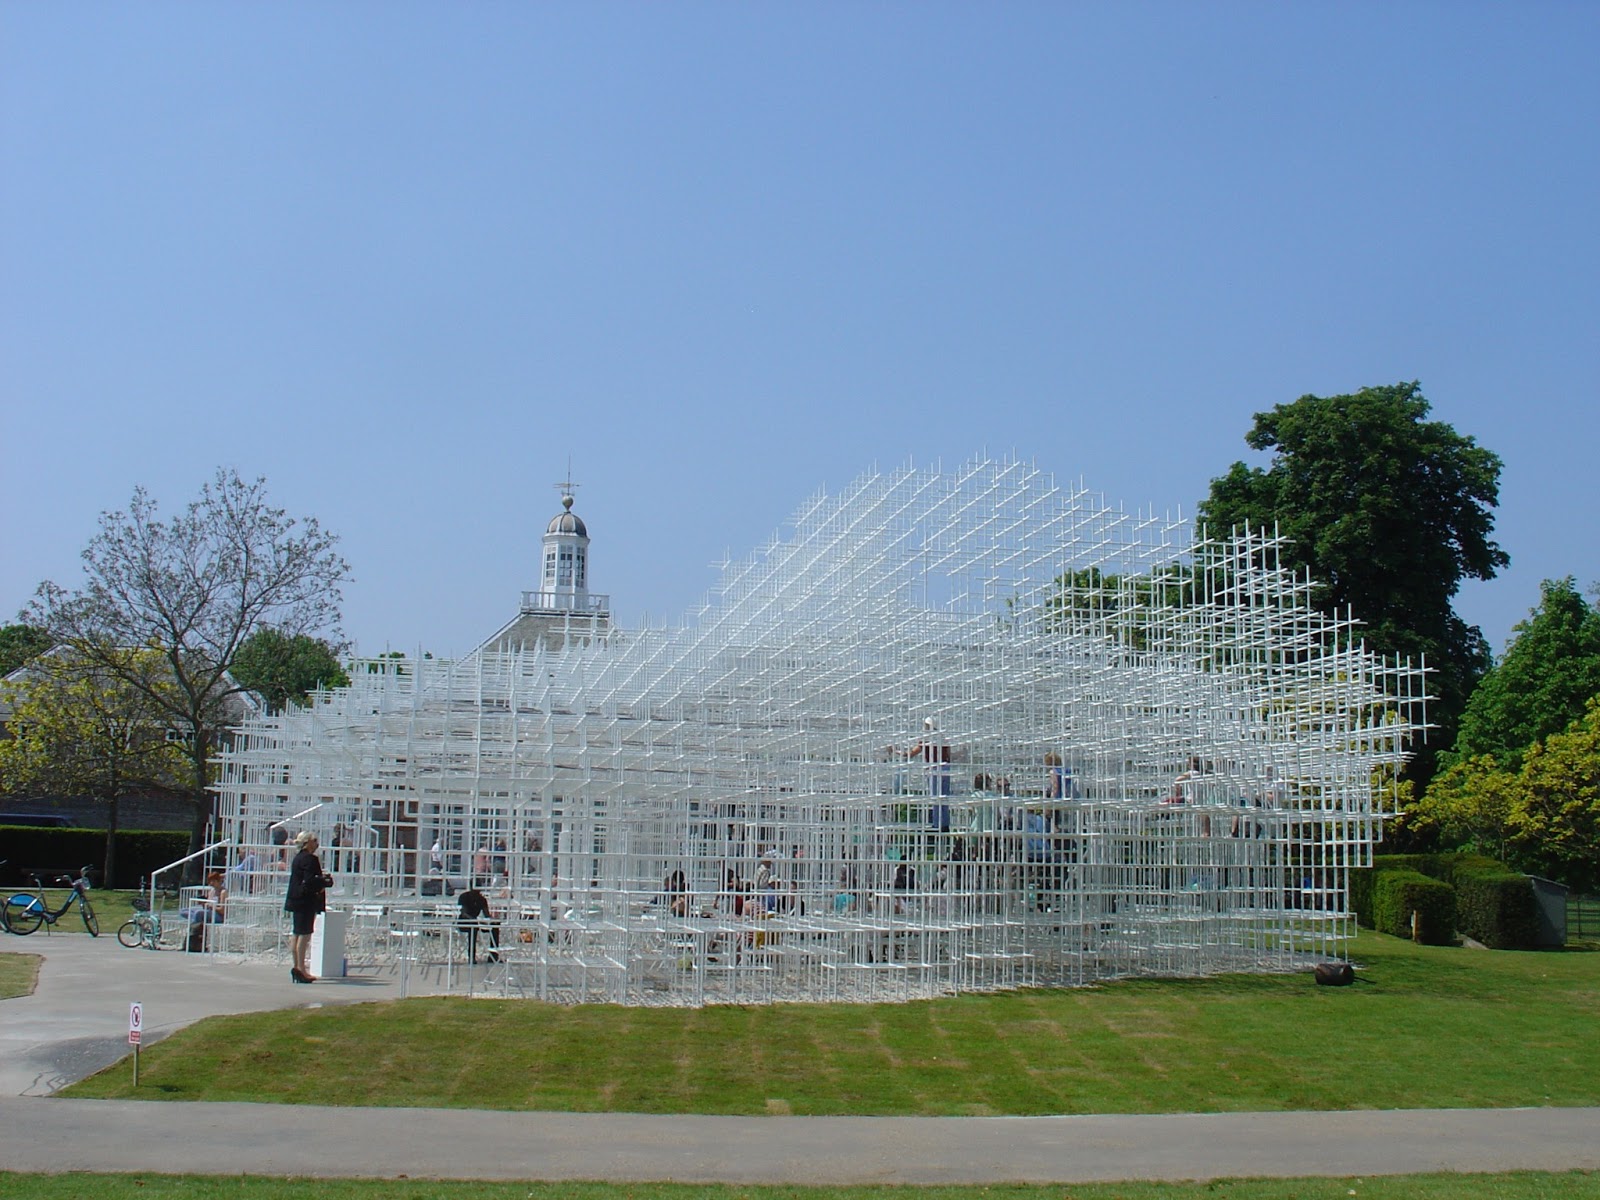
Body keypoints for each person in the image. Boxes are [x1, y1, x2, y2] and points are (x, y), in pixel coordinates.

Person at [284, 831, 332, 984]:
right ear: (307, 843)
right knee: (304, 934)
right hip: (305, 900)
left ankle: (297, 966)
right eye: (314, 840)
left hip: (295, 898)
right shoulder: (311, 859)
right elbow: (310, 880)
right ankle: (301, 969)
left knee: (297, 933)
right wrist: (324, 882)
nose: (317, 843)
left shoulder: (298, 858)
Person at [181, 869, 228, 952]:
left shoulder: (223, 892)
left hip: (218, 915)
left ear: (218, 881)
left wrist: (212, 906)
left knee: (198, 913)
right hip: (208, 911)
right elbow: (208, 905)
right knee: (184, 911)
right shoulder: (212, 891)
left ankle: (193, 937)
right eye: (210, 881)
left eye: (213, 881)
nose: (211, 884)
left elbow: (222, 910)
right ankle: (195, 928)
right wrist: (205, 904)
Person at [456, 887, 501, 964]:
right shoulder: (464, 897)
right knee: (473, 928)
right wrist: (475, 920)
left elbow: (486, 914)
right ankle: (471, 956)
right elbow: (464, 913)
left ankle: (493, 955)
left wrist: (492, 920)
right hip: (463, 922)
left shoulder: (482, 899)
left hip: (476, 922)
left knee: (495, 926)